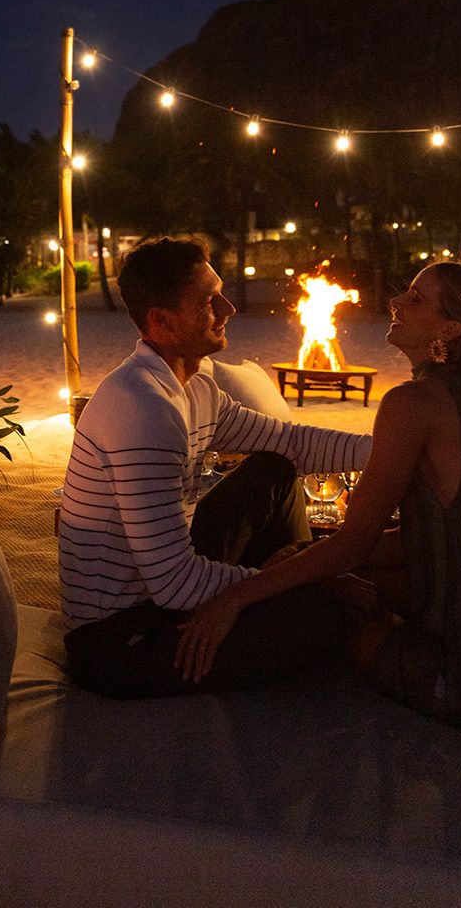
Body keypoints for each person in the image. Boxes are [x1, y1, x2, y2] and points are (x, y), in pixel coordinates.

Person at [176, 261, 461, 734]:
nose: (395, 302)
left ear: (450, 329)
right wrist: (318, 564)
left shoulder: (414, 403)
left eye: (416, 299)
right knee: (298, 564)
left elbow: (353, 541)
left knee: (311, 603)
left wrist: (234, 596)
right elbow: (453, 535)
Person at [59, 238, 373, 699]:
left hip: (162, 587)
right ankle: (290, 595)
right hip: (120, 638)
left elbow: (290, 442)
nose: (227, 308)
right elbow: (174, 585)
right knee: (328, 611)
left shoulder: (196, 387)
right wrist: (303, 575)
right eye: (209, 301)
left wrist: (390, 452)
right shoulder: (143, 406)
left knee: (275, 471)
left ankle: (278, 587)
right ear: (161, 322)